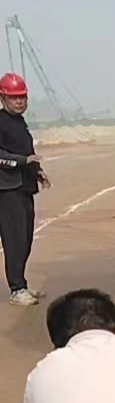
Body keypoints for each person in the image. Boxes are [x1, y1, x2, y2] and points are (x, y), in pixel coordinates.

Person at [0, 71, 47, 306]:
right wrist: (21, 162)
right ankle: (16, 289)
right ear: (3, 98)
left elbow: (26, 150)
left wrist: (38, 172)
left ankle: (22, 284)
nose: (19, 102)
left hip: (25, 187)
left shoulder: (19, 122)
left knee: (26, 238)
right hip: (7, 189)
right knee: (15, 239)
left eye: (22, 97)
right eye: (13, 97)